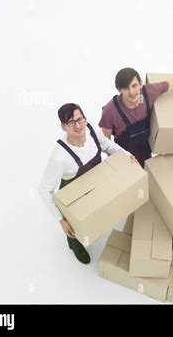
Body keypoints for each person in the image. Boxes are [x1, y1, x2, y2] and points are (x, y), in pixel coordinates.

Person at [39, 103, 136, 264]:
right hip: (74, 196)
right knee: (74, 229)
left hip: (95, 183)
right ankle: (74, 244)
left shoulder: (91, 130)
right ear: (63, 127)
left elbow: (108, 146)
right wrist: (61, 220)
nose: (78, 126)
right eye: (71, 123)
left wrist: (127, 155)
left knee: (97, 213)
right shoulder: (59, 157)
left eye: (80, 119)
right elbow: (44, 191)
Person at [99, 67, 173, 167]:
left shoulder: (148, 93)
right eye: (126, 88)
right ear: (119, 90)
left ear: (141, 83)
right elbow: (105, 141)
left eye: (134, 85)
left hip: (146, 151)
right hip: (126, 159)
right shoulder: (110, 111)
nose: (132, 92)